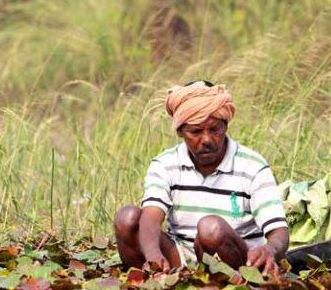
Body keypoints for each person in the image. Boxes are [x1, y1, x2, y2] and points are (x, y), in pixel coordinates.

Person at [114, 80, 289, 276]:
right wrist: (153, 254)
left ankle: (235, 285)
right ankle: (150, 284)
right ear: (180, 132)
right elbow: (151, 217)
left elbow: (279, 232)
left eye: (214, 129)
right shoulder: (165, 164)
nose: (206, 140)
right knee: (126, 218)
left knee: (210, 228)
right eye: (196, 131)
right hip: (180, 260)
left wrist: (270, 249)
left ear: (226, 125)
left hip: (238, 262)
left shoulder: (252, 165)